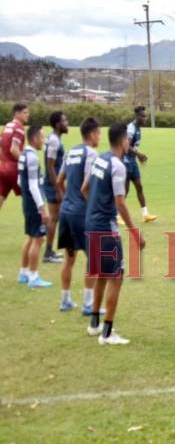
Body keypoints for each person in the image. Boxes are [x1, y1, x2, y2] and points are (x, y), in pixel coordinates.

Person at [85, 123, 145, 346]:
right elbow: (120, 202)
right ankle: (107, 333)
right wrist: (135, 233)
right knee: (116, 276)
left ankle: (94, 324)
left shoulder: (99, 159)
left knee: (101, 274)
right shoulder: (118, 166)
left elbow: (85, 188)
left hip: (91, 223)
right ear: (123, 141)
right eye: (128, 140)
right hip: (105, 227)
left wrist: (95, 207)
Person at [57, 117, 100, 314]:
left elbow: (59, 181)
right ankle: (88, 304)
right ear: (92, 134)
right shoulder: (91, 153)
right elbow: (86, 186)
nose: (99, 137)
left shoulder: (70, 151)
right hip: (81, 214)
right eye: (98, 133)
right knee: (95, 258)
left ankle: (65, 300)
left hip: (65, 211)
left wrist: (67, 199)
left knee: (69, 257)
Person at [17, 125, 53, 288]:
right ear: (34, 139)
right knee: (38, 239)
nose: (43, 141)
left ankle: (23, 273)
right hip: (33, 203)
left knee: (31, 237)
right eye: (42, 137)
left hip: (27, 202)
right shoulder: (32, 158)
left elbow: (20, 181)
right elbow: (32, 185)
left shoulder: (23, 154)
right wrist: (42, 208)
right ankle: (33, 277)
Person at [122, 106, 157, 224]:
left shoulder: (137, 127)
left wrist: (137, 156)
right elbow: (126, 146)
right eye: (143, 116)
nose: (145, 118)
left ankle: (145, 214)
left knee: (139, 186)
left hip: (132, 161)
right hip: (125, 162)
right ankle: (116, 215)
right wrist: (139, 154)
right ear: (137, 117)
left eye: (145, 116)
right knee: (124, 190)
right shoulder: (131, 129)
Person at [42, 111, 68, 264]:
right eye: (64, 120)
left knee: (56, 217)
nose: (67, 123)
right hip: (53, 184)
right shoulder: (54, 141)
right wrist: (58, 188)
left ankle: (50, 250)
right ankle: (48, 252)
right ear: (58, 124)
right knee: (54, 218)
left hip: (55, 183)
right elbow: (50, 166)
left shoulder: (55, 138)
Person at [0, 103, 30, 211]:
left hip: (3, 168)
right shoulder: (19, 128)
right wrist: (26, 162)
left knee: (1, 196)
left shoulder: (7, 126)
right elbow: (14, 149)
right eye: (25, 113)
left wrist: (4, 161)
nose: (28, 115)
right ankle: (36, 225)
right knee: (30, 197)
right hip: (14, 170)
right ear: (17, 114)